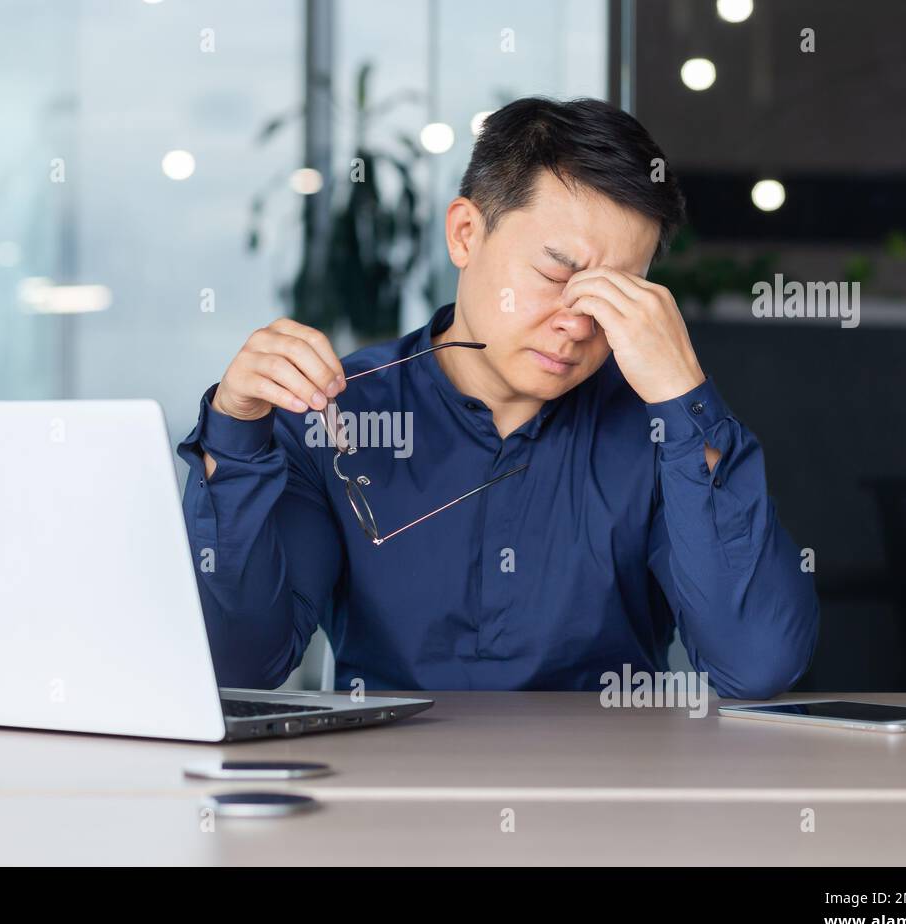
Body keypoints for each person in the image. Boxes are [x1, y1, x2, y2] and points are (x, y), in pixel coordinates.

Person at [177, 96, 818, 697]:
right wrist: (235, 431)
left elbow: (755, 665)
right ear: (465, 234)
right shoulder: (337, 412)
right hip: (385, 794)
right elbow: (238, 665)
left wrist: (685, 398)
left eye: (617, 294)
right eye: (556, 273)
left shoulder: (663, 432)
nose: (578, 321)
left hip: (607, 796)